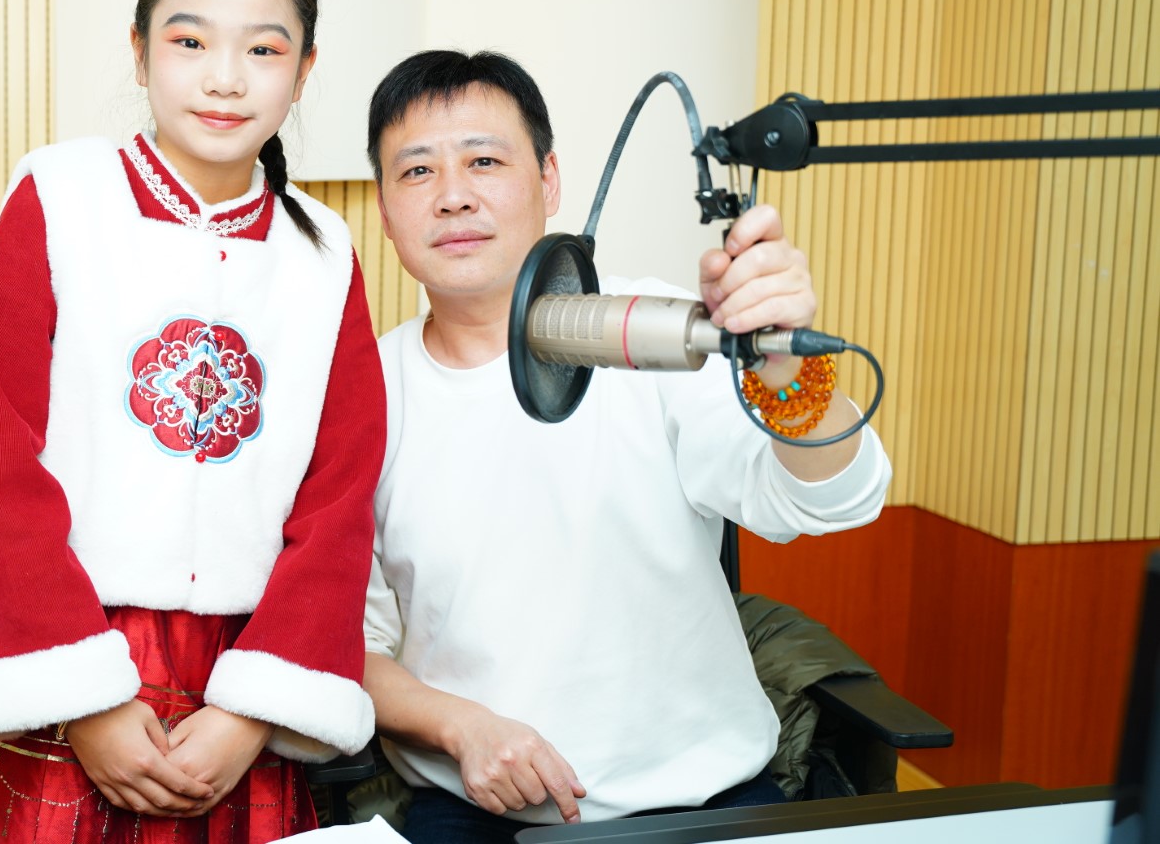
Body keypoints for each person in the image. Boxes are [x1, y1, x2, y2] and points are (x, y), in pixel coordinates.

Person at [0, 0, 383, 843]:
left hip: (237, 687)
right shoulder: (59, 197)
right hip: (63, 660)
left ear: (305, 70)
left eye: (264, 50)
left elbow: (339, 497)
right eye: (190, 41)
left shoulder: (325, 252)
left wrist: (251, 713)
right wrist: (85, 700)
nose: (225, 78)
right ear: (139, 49)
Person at [359, 50, 892, 842]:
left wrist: (786, 370)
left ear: (549, 181)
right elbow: (351, 648)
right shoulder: (365, 394)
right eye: (417, 171)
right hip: (476, 812)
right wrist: (460, 727)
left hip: (710, 805)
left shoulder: (654, 333)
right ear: (383, 206)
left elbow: (831, 500)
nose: (454, 195)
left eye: (484, 161)